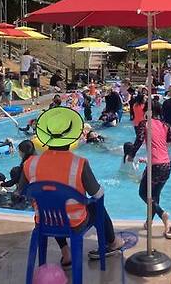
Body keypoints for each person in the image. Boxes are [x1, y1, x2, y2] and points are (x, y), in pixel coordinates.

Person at [22, 109, 125, 266]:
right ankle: (112, 242)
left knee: (51, 203)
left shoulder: (29, 163)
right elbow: (97, 193)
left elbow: (23, 191)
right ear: (71, 137)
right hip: (75, 222)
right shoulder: (80, 163)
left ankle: (65, 252)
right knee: (98, 205)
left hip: (43, 220)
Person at [128, 99, 171, 238]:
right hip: (167, 164)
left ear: (148, 112)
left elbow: (139, 140)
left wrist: (131, 155)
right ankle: (153, 223)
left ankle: (163, 214)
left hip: (155, 165)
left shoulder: (145, 124)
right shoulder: (165, 125)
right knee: (155, 195)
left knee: (143, 193)